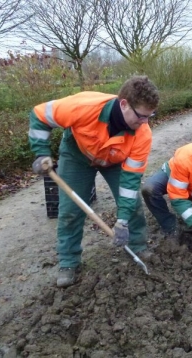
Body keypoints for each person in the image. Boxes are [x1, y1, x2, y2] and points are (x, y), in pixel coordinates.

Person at [29, 76, 159, 288]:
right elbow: (39, 115)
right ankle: (68, 261)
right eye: (141, 116)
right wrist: (40, 152)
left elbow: (130, 181)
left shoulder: (142, 134)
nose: (145, 122)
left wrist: (122, 220)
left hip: (116, 161)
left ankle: (137, 245)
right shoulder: (83, 106)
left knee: (132, 203)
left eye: (150, 116)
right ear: (124, 104)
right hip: (77, 155)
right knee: (70, 210)